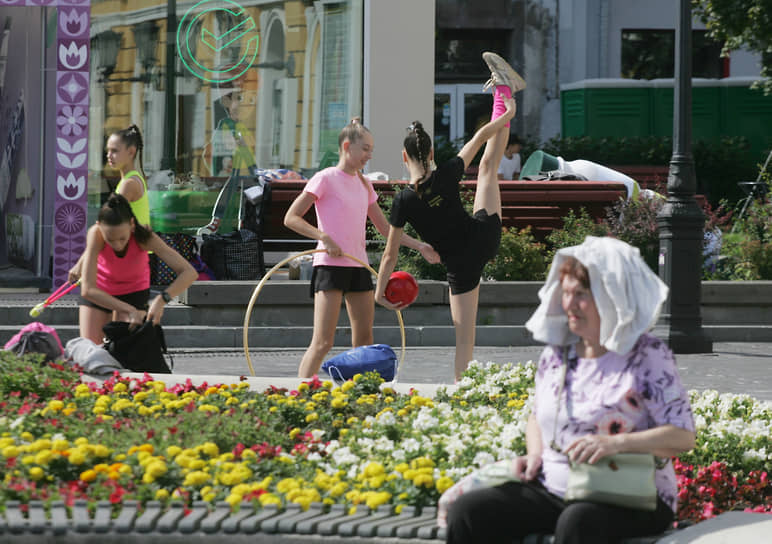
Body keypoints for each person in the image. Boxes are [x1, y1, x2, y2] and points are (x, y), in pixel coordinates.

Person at [446, 236, 696, 544]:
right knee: (470, 511)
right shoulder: (558, 353)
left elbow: (682, 437)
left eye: (580, 294)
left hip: (631, 495)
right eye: (566, 293)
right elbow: (538, 416)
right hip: (556, 488)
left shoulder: (647, 355)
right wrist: (535, 455)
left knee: (578, 522)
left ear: (611, 296)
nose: (569, 305)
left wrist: (615, 444)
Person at [374, 52, 522, 380]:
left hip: (462, 265)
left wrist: (379, 292)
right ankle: (504, 90)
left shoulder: (403, 200)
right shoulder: (447, 173)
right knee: (487, 168)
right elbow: (480, 138)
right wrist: (507, 111)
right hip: (483, 237)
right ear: (429, 153)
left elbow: (389, 254)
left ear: (403, 157)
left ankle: (462, 394)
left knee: (464, 343)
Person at [283, 118, 439, 378]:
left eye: (371, 150)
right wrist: (324, 237)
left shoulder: (365, 184)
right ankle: (300, 393)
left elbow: (385, 229)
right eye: (365, 149)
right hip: (330, 267)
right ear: (347, 146)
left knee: (365, 343)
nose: (370, 155)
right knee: (323, 342)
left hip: (358, 267)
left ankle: (360, 396)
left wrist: (419, 245)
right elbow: (291, 218)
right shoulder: (325, 179)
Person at [76, 193, 197, 345]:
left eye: (122, 239)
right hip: (101, 292)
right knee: (90, 350)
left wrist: (161, 300)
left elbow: (189, 272)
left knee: (125, 350)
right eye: (110, 240)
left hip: (133, 292)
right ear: (99, 225)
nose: (117, 245)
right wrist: (129, 309)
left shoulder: (144, 237)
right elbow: (87, 290)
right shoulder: (95, 233)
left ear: (132, 224)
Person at [68, 124, 150, 281]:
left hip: (132, 257)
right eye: (108, 151)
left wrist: (81, 264)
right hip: (131, 254)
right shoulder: (129, 180)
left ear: (131, 152)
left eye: (115, 151)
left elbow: (105, 225)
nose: (109, 155)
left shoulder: (128, 184)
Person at [198, 76, 260, 236]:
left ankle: (243, 223)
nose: (238, 107)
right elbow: (226, 145)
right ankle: (216, 222)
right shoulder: (226, 124)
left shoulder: (242, 126)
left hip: (246, 170)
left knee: (248, 198)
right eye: (235, 101)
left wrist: (253, 167)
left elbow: (249, 148)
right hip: (235, 169)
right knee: (230, 193)